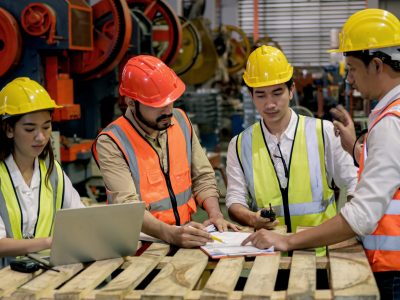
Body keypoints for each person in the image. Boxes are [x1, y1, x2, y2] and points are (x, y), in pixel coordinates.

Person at [242, 9, 400, 298]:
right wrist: (354, 148)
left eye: (351, 68)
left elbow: (361, 216)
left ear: (377, 65)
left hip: (394, 269)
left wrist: (289, 241)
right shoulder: (392, 116)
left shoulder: (390, 123)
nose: (349, 79)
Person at [92, 55, 237, 248]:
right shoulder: (112, 142)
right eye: (157, 105)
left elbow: (202, 177)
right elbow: (128, 207)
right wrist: (170, 234)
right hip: (141, 248)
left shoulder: (181, 121)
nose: (168, 110)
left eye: (170, 101)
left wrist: (215, 214)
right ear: (131, 103)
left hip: (186, 237)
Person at [226, 45, 358, 255]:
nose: (270, 104)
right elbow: (234, 199)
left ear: (292, 90)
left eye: (277, 93)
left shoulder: (323, 133)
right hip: (268, 253)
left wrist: (351, 228)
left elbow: (353, 183)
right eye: (261, 95)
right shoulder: (240, 144)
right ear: (251, 96)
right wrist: (253, 218)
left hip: (319, 252)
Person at [0, 77, 84, 262]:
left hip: (45, 272)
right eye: (30, 129)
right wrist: (48, 242)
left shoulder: (53, 173)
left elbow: (80, 217)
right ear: (8, 130)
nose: (41, 137)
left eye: (46, 127)